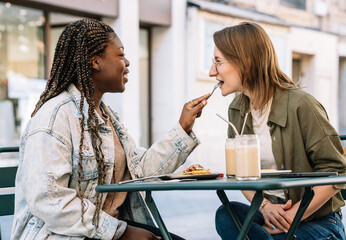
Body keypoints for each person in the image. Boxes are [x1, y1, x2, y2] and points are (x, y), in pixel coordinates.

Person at [11, 19, 210, 240]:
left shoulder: (106, 117)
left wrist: (183, 126)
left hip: (102, 231)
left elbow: (140, 172)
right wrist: (120, 232)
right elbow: (49, 200)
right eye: (121, 55)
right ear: (95, 62)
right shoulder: (54, 117)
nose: (128, 62)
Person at [210, 22, 346, 240]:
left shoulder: (301, 105)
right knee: (226, 215)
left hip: (318, 223)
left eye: (218, 62)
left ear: (245, 62)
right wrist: (265, 207)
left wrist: (293, 217)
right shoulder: (236, 110)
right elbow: (240, 176)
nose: (212, 72)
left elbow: (336, 172)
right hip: (268, 218)